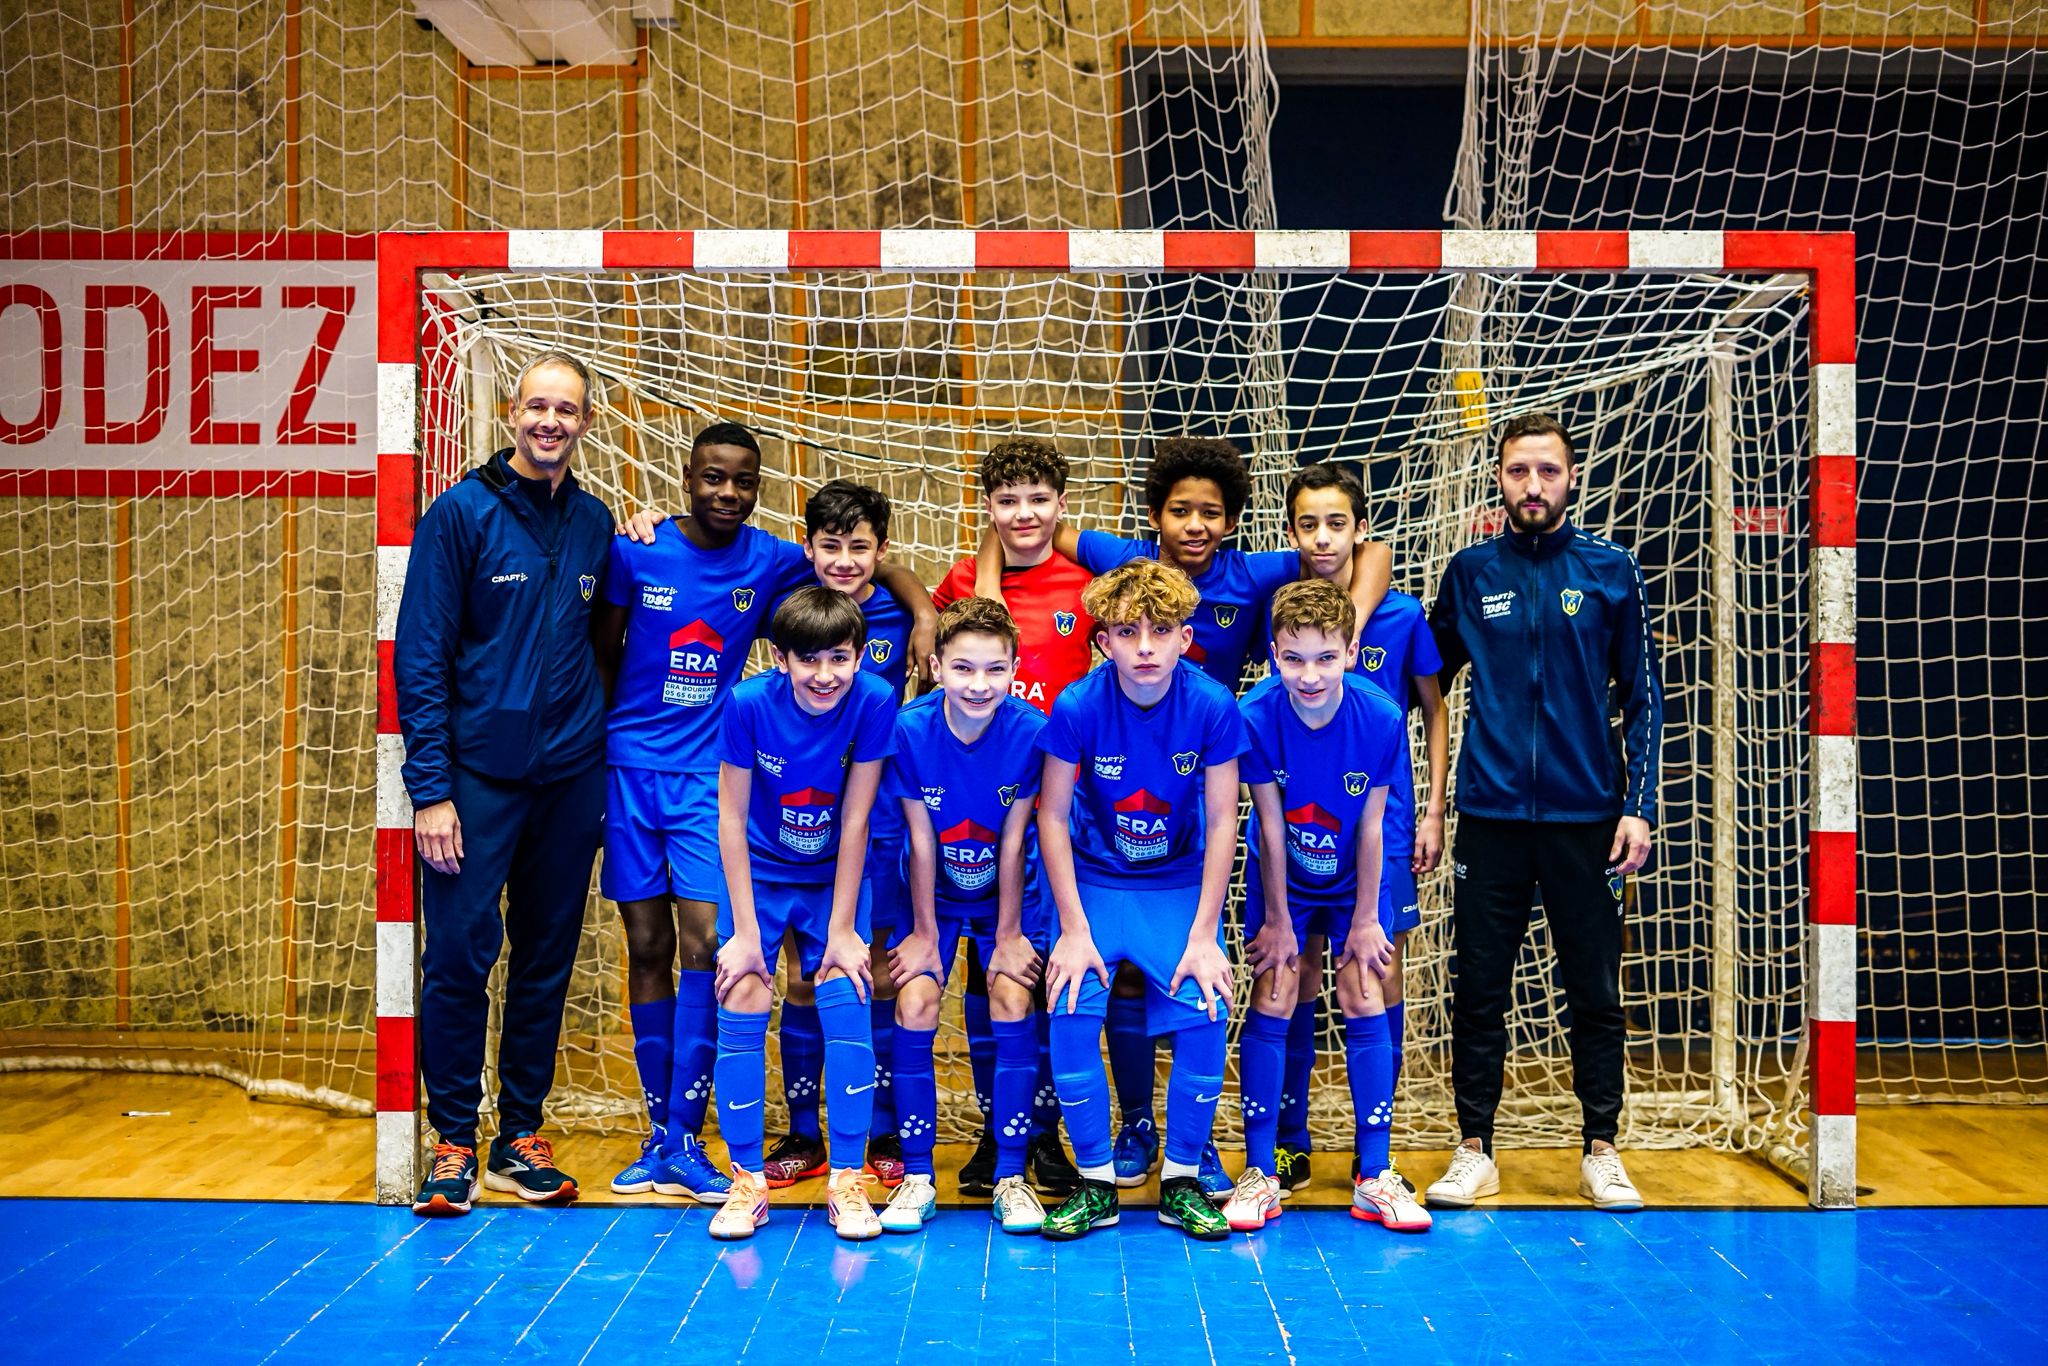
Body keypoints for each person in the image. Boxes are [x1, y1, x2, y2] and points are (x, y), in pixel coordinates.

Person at [980, 436, 1392, 1193]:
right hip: (1106, 857)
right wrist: (985, 589)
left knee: (1210, 981)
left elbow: (1364, 552)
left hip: (1190, 827)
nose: (1195, 524)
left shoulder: (1251, 587)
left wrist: (1352, 624)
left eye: (1210, 512)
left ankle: (1203, 1149)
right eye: (1179, 511)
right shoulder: (1117, 581)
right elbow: (1029, 528)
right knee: (1103, 987)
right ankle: (1130, 1129)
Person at [1424, 413, 1662, 1213]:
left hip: (1587, 821)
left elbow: (1645, 698)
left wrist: (1637, 808)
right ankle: (1474, 1150)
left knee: (1594, 990)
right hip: (1490, 817)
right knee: (1478, 989)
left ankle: (1602, 1149)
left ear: (1570, 478)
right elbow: (1425, 679)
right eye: (1519, 471)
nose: (1533, 485)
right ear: (1499, 478)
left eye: (1547, 471)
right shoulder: (1470, 572)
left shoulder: (1611, 570)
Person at [395, 351, 614, 1216]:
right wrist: (431, 790)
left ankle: (518, 1135)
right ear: (510, 414)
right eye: (536, 407)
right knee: (457, 956)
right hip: (475, 781)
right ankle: (452, 1139)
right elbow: (421, 659)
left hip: (570, 779)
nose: (550, 421)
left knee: (545, 960)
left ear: (586, 423)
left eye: (566, 410)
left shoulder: (595, 522)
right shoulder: (460, 515)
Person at [588, 422, 818, 1204]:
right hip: (627, 772)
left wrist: (919, 610)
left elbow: (854, 564)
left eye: (743, 481)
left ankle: (687, 1136)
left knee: (705, 944)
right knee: (647, 944)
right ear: (687, 478)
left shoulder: (771, 560)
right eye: (713, 477)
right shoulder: (637, 550)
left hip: (705, 780)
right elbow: (602, 653)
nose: (727, 492)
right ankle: (659, 1136)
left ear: (758, 489)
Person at [1035, 560, 1248, 1242]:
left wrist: (1205, 933)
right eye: (1128, 632)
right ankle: (1096, 1184)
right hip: (1096, 882)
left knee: (1207, 1005)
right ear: (1104, 642)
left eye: (1160, 631)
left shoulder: (1211, 704)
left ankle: (1181, 1180)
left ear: (1187, 638)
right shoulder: (1078, 705)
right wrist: (1072, 929)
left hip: (1177, 885)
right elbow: (1050, 816)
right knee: (1070, 1003)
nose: (1146, 647)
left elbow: (1224, 819)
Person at [1267, 464, 1449, 1199]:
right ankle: (1289, 1141)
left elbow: (1433, 707)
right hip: (1300, 823)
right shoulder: (1279, 604)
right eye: (1308, 524)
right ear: (1290, 532)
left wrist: (1433, 808)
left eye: (1336, 523)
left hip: (1382, 821)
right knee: (1294, 972)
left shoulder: (1399, 616)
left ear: (1360, 529)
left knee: (1375, 969)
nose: (1322, 538)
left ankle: (1378, 1152)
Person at [1226, 580, 1427, 1234]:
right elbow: (1269, 825)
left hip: (1352, 877)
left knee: (1364, 989)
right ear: (1272, 656)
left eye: (1325, 658)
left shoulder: (1380, 716)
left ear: (1352, 653)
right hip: (1283, 876)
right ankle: (1261, 1171)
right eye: (1292, 659)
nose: (1308, 675)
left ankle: (1375, 1174)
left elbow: (1371, 827)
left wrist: (1366, 919)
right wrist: (1278, 921)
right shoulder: (1255, 713)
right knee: (1277, 987)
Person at [706, 587, 897, 1241]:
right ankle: (747, 1182)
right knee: (744, 987)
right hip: (760, 873)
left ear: (859, 656)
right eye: (808, 659)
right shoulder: (747, 703)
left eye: (839, 658)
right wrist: (745, 933)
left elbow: (857, 817)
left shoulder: (874, 700)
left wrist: (843, 929)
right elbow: (731, 817)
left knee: (846, 989)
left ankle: (846, 1179)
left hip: (833, 876)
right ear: (781, 658)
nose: (824, 675)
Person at [930, 437, 1093, 1197]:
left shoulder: (1086, 582)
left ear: (1060, 505)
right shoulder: (964, 581)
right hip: (980, 814)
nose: (1023, 514)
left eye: (1038, 499)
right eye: (1007, 501)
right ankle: (998, 1135)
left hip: (1063, 810)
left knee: (1052, 969)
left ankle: (1048, 1138)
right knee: (986, 969)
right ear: (988, 509)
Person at [765, 481, 933, 1190]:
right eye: (829, 546)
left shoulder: (900, 611)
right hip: (798, 824)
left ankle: (884, 1127)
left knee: (880, 972)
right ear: (808, 548)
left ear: (881, 550)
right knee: (804, 976)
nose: (843, 560)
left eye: (859, 547)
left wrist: (923, 606)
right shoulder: (790, 605)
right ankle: (805, 1132)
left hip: (882, 821)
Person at [877, 597, 1053, 1234]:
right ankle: (917, 1176)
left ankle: (1010, 1176)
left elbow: (1014, 838)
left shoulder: (1031, 731)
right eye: (963, 669)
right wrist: (925, 934)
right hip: (932, 894)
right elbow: (920, 838)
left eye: (995, 670)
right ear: (935, 668)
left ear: (1014, 670)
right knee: (915, 1000)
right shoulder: (908, 729)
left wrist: (1007, 935)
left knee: (1010, 995)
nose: (979, 685)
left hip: (1008, 893)